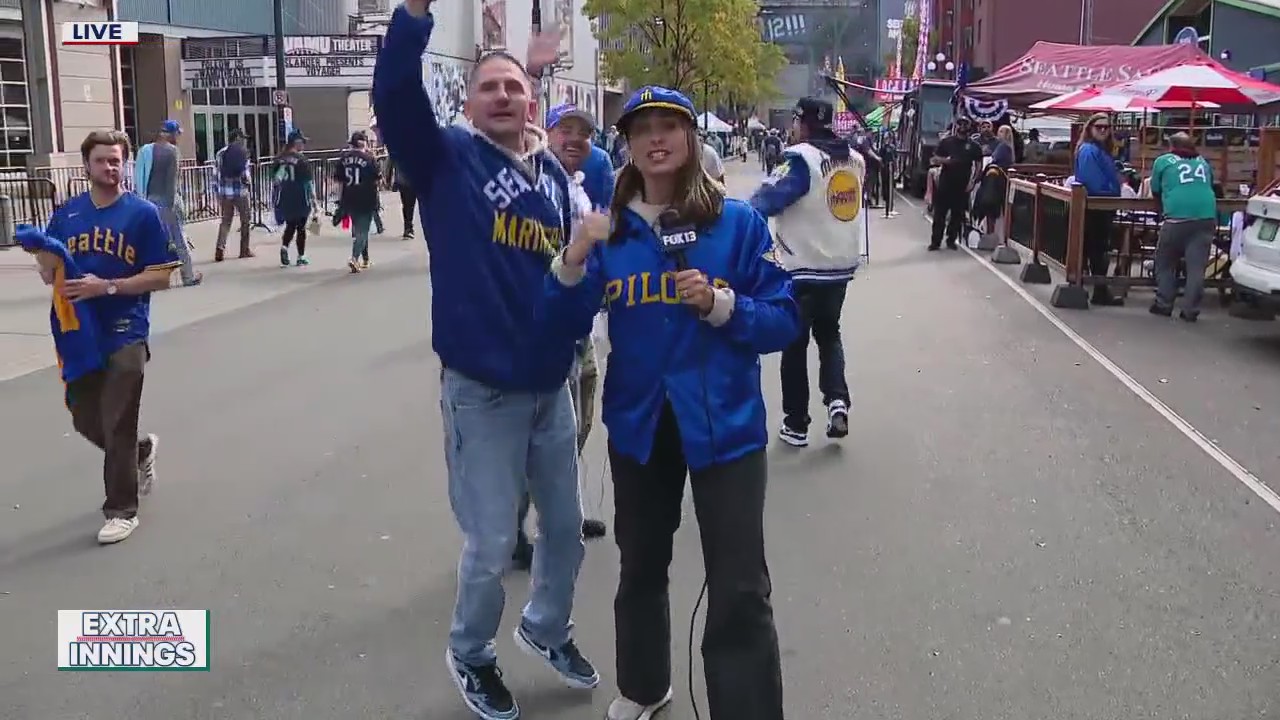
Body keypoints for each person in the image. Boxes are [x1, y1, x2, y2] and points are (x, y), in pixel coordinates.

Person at [373, 3, 599, 719]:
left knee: (564, 529)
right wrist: (413, 16)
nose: (503, 96)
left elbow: (568, 280)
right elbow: (393, 95)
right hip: (482, 392)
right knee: (494, 540)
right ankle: (472, 652)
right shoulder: (444, 160)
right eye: (489, 88)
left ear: (532, 101)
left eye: (515, 88)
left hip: (550, 387)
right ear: (467, 105)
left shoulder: (556, 182)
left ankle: (545, 628)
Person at [544, 85, 798, 720]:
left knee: (739, 584)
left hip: (726, 427)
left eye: (669, 126)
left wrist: (721, 305)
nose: (656, 139)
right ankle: (645, 684)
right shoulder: (611, 232)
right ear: (626, 144)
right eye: (642, 129)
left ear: (690, 139)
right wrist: (574, 256)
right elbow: (561, 319)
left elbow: (784, 318)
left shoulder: (737, 223)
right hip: (640, 424)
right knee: (640, 568)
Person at [26, 130, 180, 544]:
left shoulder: (142, 214)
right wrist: (43, 255)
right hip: (79, 332)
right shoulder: (69, 213)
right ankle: (141, 451)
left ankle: (121, 510)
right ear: (87, 166)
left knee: (118, 414)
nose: (110, 168)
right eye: (102, 161)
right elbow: (48, 269)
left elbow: (163, 275)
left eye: (116, 160)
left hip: (126, 326)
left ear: (125, 164)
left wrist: (108, 286)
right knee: (85, 417)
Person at [513, 103, 614, 569]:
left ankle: (563, 515)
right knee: (537, 432)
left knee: (577, 418)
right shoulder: (535, 178)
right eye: (566, 129)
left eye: (584, 133)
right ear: (547, 133)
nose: (576, 139)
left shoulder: (577, 186)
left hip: (579, 321)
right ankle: (513, 531)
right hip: (544, 322)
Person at [749, 97, 862, 447]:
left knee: (793, 343)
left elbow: (766, 200)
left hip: (800, 267)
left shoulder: (801, 160)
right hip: (840, 267)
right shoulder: (854, 159)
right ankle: (837, 402)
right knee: (829, 334)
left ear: (804, 123)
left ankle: (796, 424)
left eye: (796, 122)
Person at [1150, 131, 1218, 322]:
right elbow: (1211, 184)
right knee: (1196, 268)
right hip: (1205, 216)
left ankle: (1164, 303)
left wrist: (1161, 208)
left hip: (1176, 217)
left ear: (1171, 146)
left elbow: (1155, 189)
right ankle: (1190, 310)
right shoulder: (1203, 162)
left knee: (1164, 262)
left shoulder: (1163, 161)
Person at [134, 120, 201, 286]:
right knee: (179, 241)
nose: (179, 137)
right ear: (172, 134)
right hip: (166, 201)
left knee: (153, 240)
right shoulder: (172, 152)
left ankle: (150, 278)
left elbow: (139, 177)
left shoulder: (145, 150)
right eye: (178, 133)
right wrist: (173, 207)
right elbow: (171, 182)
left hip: (148, 200)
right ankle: (188, 276)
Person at [1072, 112, 1123, 306]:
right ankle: (1096, 289)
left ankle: (1098, 290)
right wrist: (1111, 194)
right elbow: (1092, 181)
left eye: (1106, 127)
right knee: (1096, 249)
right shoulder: (1088, 150)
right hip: (1096, 206)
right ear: (1090, 128)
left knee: (1096, 250)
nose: (1103, 130)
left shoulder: (1100, 150)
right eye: (1099, 126)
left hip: (1103, 205)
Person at [929, 117, 982, 250]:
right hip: (946, 182)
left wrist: (973, 181)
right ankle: (935, 241)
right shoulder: (946, 142)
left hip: (963, 184)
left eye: (965, 124)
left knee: (957, 215)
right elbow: (934, 159)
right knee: (940, 214)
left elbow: (979, 165)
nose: (962, 127)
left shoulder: (974, 146)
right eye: (960, 124)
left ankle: (951, 240)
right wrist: (946, 161)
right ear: (955, 126)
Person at [333, 130, 381, 273]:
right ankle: (354, 258)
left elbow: (338, 181)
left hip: (349, 197)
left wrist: (339, 199)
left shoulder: (343, 159)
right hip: (366, 197)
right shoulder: (369, 158)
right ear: (363, 143)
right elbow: (378, 179)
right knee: (363, 230)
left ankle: (365, 259)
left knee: (357, 228)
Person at [272, 128, 316, 267]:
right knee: (301, 228)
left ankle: (284, 247)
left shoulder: (280, 159)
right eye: (302, 142)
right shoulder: (302, 160)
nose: (303, 145)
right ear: (296, 142)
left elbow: (275, 180)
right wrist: (315, 203)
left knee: (290, 224)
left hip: (285, 196)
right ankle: (301, 256)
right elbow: (308, 183)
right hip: (301, 196)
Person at [213, 128, 254, 262]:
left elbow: (216, 174)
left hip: (225, 193)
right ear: (237, 138)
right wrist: (248, 183)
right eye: (242, 138)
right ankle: (244, 250)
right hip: (240, 192)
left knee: (226, 221)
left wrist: (217, 192)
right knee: (245, 220)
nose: (243, 141)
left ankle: (220, 247)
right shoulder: (243, 153)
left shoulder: (220, 153)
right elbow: (245, 174)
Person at [387, 154, 418, 239]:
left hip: (404, 181)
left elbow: (390, 165)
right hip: (408, 182)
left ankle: (408, 227)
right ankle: (408, 228)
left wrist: (389, 180)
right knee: (409, 205)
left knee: (407, 205)